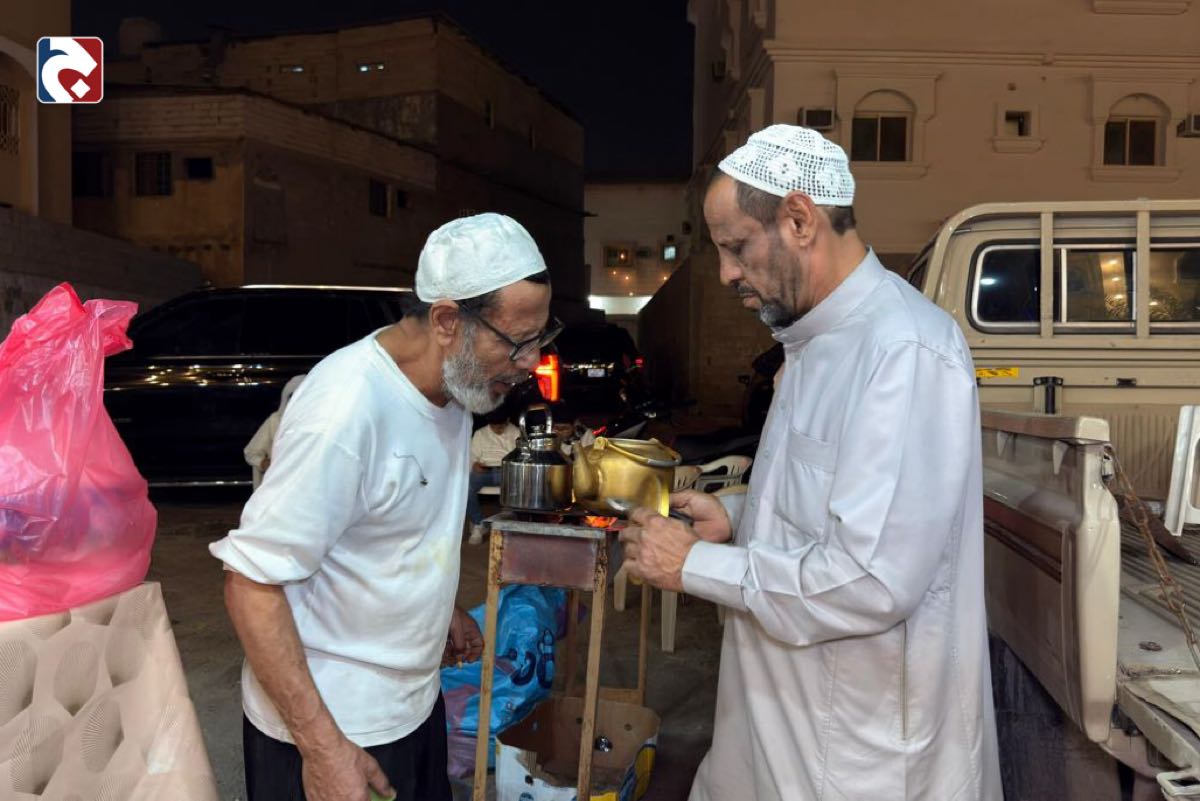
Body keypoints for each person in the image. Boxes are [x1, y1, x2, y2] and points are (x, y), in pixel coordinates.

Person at [619, 125, 1002, 801]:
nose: (726, 273)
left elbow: (871, 578)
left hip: (856, 752)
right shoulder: (814, 338)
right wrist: (738, 515)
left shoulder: (903, 350)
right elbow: (839, 502)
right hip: (775, 723)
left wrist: (692, 565)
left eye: (737, 246)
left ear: (799, 220)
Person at [210, 212, 562, 801]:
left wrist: (433, 606)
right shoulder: (344, 412)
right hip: (334, 730)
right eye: (517, 342)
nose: (531, 362)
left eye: (541, 338)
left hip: (412, 708)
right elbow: (250, 585)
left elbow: (396, 525)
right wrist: (323, 750)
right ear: (447, 321)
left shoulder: (456, 390)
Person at [467, 409, 520, 544]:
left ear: (507, 421)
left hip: (506, 471)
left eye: (501, 426)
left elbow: (520, 456)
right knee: (466, 487)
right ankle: (478, 523)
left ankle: (508, 521)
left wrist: (511, 466)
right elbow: (472, 456)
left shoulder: (516, 432)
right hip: (485, 471)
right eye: (494, 427)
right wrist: (474, 464)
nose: (498, 430)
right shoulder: (480, 433)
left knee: (520, 482)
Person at [244, 374, 307, 489]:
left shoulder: (322, 423)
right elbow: (251, 452)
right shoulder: (275, 421)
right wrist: (263, 463)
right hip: (280, 486)